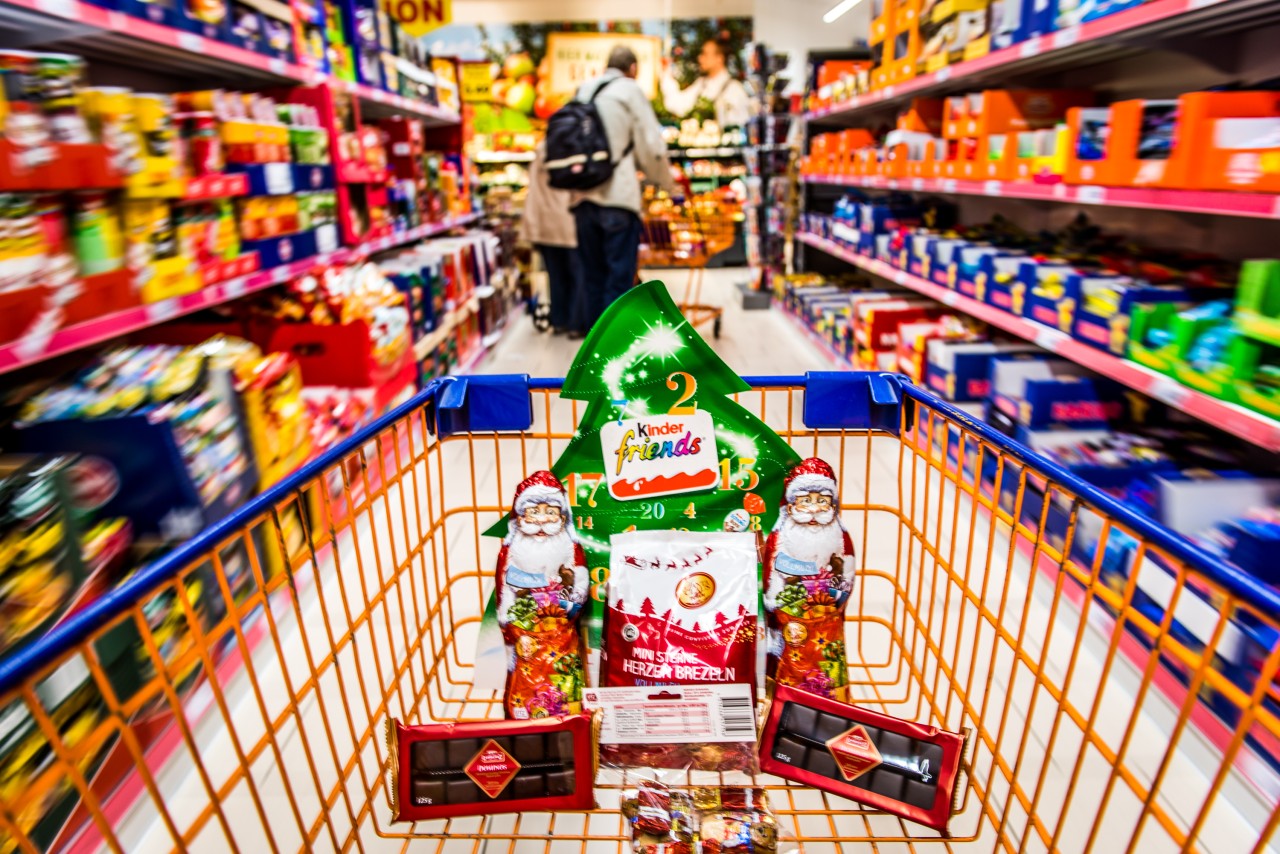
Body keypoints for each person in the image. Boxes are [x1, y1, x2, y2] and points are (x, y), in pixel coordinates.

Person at [571, 45, 675, 327]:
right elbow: (652, 148)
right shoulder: (629, 90)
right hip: (618, 199)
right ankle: (616, 352)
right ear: (632, 69)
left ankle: (592, 356)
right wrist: (670, 187)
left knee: (593, 278)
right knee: (619, 281)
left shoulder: (584, 90)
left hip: (581, 200)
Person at [520, 141, 586, 336]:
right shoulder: (576, 148)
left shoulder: (541, 150)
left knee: (556, 275)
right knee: (578, 275)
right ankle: (576, 324)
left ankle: (559, 321)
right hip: (569, 221)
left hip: (545, 223)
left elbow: (533, 189)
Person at [660, 38, 751, 129]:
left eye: (705, 54)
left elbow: (742, 125)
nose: (700, 58)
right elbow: (679, 105)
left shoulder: (734, 89)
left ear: (719, 58)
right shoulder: (701, 84)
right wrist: (665, 74)